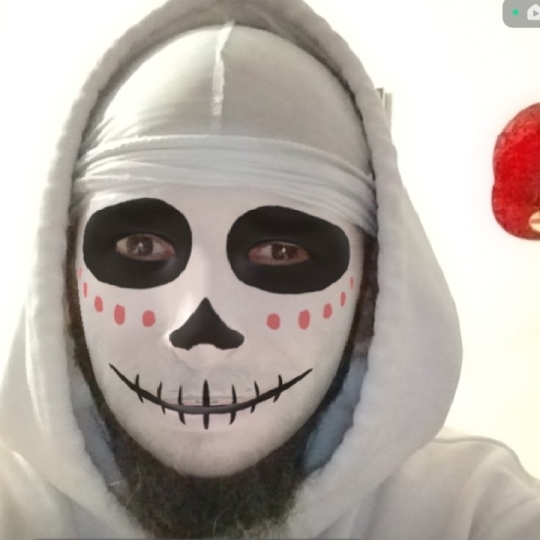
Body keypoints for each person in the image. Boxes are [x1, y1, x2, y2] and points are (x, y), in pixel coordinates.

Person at [0, 1, 539, 538]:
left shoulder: (470, 513)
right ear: (64, 283)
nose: (200, 335)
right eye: (142, 246)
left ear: (371, 295)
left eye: (281, 252)